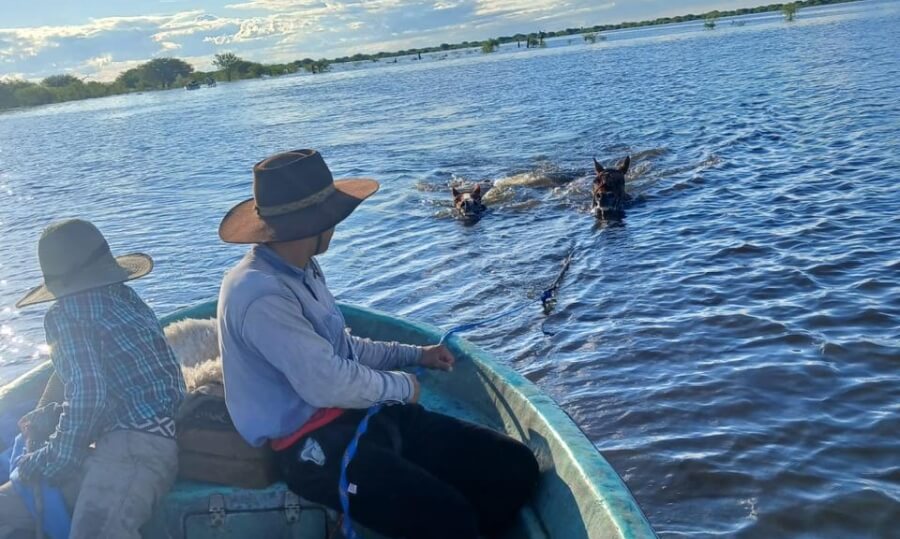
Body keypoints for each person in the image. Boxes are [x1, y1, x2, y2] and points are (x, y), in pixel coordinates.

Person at [217, 149, 539, 539]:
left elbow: (345, 349)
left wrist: (416, 355)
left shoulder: (301, 268)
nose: (336, 224)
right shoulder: (260, 294)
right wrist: (403, 387)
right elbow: (327, 382)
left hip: (357, 414)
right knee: (451, 519)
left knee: (514, 468)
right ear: (313, 224)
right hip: (310, 448)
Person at [0, 219, 186, 539]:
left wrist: (54, 459)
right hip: (157, 430)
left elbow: (89, 397)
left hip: (134, 444)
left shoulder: (65, 314)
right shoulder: (126, 297)